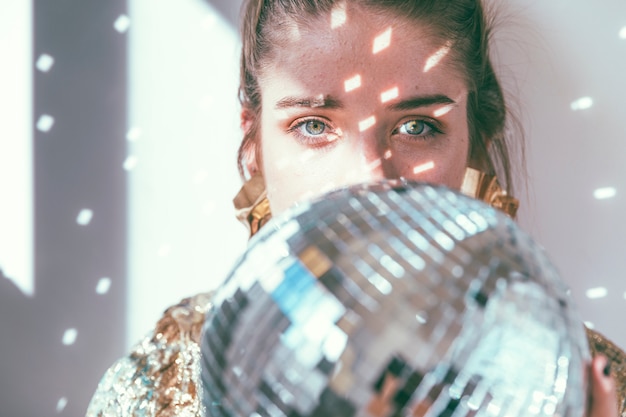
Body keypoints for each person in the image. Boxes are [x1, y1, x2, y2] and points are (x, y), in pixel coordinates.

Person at [86, 1, 623, 416]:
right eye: (314, 126)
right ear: (255, 149)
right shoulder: (167, 381)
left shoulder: (574, 383)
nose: (370, 176)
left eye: (417, 127)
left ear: (472, 144)